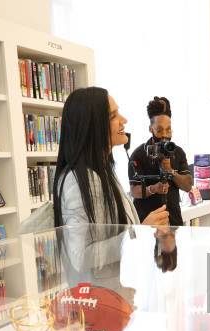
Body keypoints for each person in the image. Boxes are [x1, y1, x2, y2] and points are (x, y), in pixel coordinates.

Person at [53, 87, 169, 227]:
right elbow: (83, 248)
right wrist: (143, 230)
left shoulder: (103, 173)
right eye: (113, 116)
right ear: (94, 125)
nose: (123, 120)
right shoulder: (79, 182)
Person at [129, 96, 193, 226]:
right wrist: (154, 188)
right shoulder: (139, 154)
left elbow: (187, 186)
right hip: (146, 222)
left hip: (173, 220)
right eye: (159, 130)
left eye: (168, 129)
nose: (165, 135)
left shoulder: (177, 152)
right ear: (150, 129)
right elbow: (134, 191)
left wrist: (170, 171)